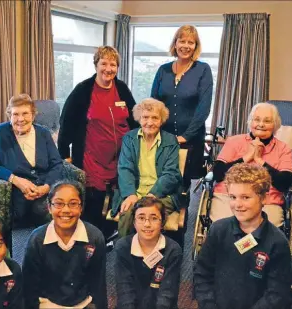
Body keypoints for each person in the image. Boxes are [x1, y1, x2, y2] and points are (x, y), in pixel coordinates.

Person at [58, 46, 138, 233]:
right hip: (92, 157)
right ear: (96, 65)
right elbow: (66, 123)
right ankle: (94, 239)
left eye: (113, 64)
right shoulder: (83, 90)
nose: (108, 69)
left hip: (120, 158)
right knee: (94, 203)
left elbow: (135, 118)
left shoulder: (122, 88)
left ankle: (111, 235)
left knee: (118, 198)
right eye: (104, 63)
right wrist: (65, 156)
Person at [194, 163, 292, 309]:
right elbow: (202, 273)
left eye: (245, 197)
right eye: (233, 197)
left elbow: (277, 294)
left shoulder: (277, 242)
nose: (237, 204)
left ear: (264, 198)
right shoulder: (218, 230)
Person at [22, 180, 107, 309]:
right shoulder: (37, 240)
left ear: (81, 207)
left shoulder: (95, 237)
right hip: (47, 304)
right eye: (59, 204)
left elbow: (98, 283)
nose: (66, 210)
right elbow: (29, 287)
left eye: (73, 204)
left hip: (83, 304)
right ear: (49, 208)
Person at [0, 94, 64, 227]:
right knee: (41, 210)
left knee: (59, 206)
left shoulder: (43, 133)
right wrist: (17, 180)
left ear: (33, 115)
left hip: (45, 186)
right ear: (9, 115)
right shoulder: (0, 133)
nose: (20, 119)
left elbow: (57, 164)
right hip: (17, 190)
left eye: (25, 113)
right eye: (15, 114)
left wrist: (46, 187)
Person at [210, 102, 292, 227]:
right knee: (223, 228)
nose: (261, 124)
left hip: (267, 201)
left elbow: (284, 183)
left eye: (267, 121)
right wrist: (245, 158)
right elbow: (217, 173)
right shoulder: (234, 142)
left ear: (275, 125)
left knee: (265, 233)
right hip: (229, 197)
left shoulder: (283, 149)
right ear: (250, 122)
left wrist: (260, 161)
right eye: (257, 119)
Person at [151, 25, 213, 182]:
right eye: (182, 41)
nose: (185, 46)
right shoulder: (163, 70)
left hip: (192, 140)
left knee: (189, 184)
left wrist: (185, 136)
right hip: (164, 138)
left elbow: (203, 108)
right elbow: (154, 104)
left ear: (195, 46)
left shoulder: (203, 70)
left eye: (190, 42)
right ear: (175, 43)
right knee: (163, 181)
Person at [116, 98, 183, 237]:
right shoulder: (129, 138)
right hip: (135, 193)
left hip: (162, 195)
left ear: (161, 120)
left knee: (150, 214)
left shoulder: (170, 140)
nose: (150, 122)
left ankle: (155, 253)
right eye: (145, 117)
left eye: (155, 118)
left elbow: (171, 173)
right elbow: (124, 168)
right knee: (128, 213)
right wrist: (130, 194)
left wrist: (152, 195)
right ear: (139, 118)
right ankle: (124, 252)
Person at [114, 197, 183, 309]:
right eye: (141, 218)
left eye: (154, 218)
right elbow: (125, 292)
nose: (147, 224)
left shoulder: (173, 250)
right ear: (134, 222)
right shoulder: (123, 247)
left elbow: (167, 294)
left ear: (162, 222)